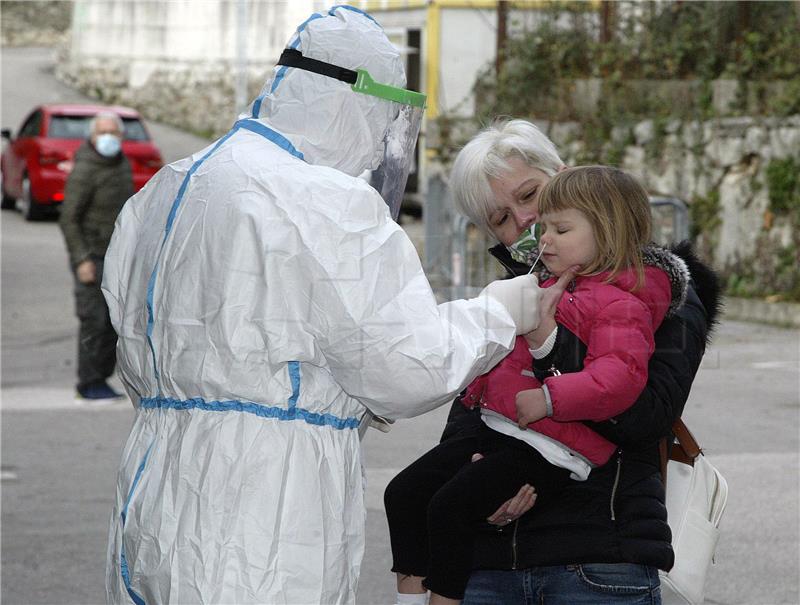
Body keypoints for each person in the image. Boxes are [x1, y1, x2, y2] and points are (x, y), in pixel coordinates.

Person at [101, 8, 543, 605]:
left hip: (152, 487)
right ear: (356, 102)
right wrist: (496, 311)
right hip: (264, 508)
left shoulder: (166, 188)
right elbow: (406, 369)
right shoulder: (324, 201)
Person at [398, 119, 720, 604]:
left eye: (531, 195)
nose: (525, 221)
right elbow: (470, 410)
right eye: (501, 218)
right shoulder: (507, 297)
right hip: (489, 566)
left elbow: (644, 414)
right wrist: (477, 473)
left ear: (566, 177)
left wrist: (547, 339)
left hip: (597, 559)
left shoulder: (656, 287)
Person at [59, 111, 132, 403]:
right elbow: (69, 218)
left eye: (113, 133)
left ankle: (100, 378)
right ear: (91, 137)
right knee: (94, 320)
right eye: (102, 133)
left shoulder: (120, 163)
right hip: (92, 256)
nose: (108, 139)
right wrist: (81, 260)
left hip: (114, 255)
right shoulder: (85, 169)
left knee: (112, 320)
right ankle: (88, 383)